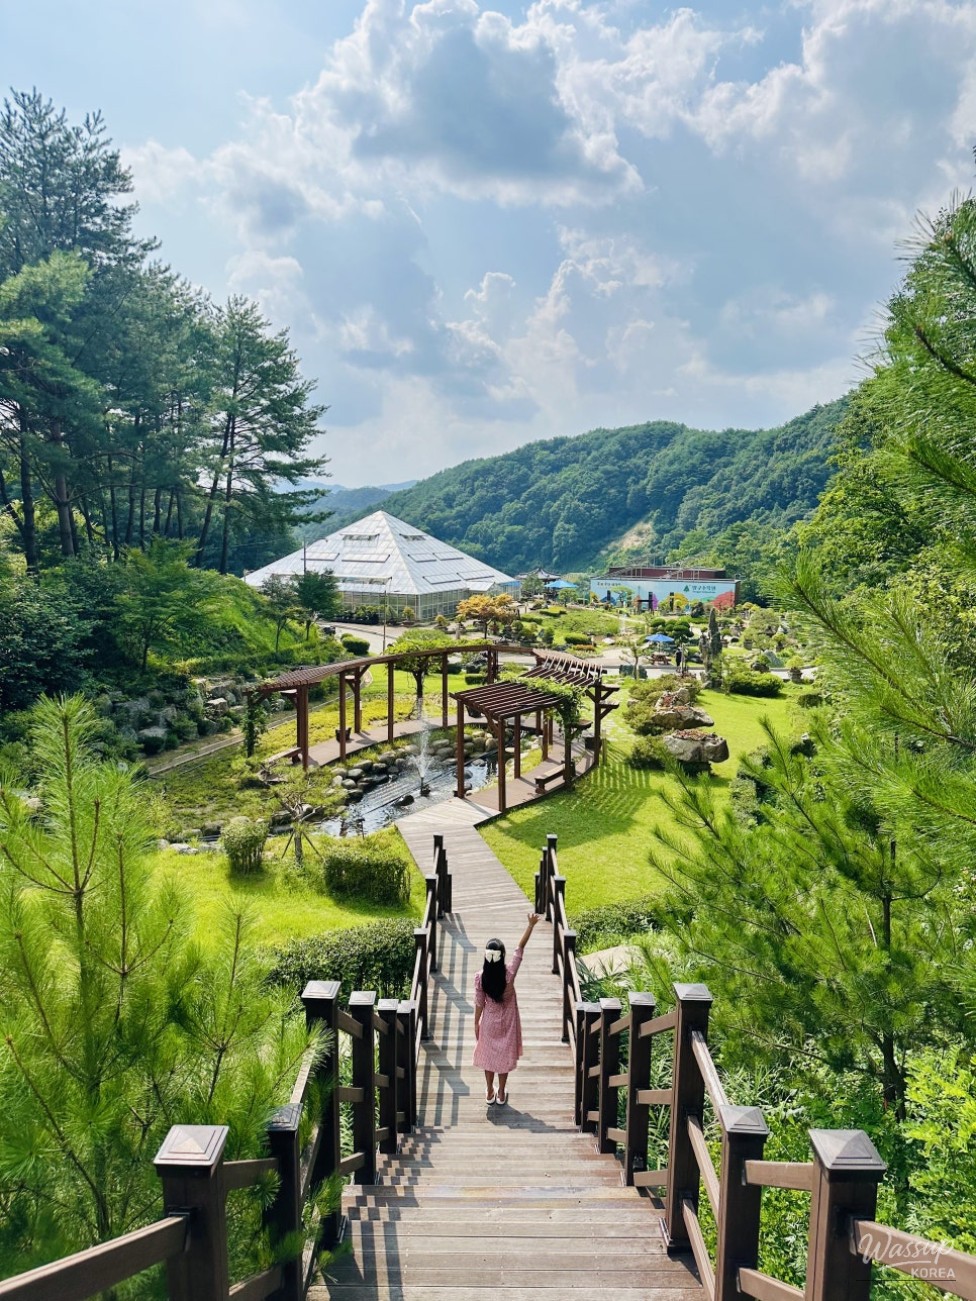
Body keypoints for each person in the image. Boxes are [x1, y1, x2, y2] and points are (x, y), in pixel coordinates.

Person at [473, 912, 541, 1106]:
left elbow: (479, 1003)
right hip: (508, 1023)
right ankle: (501, 1093)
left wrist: (476, 1023)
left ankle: (489, 1092)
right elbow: (519, 949)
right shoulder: (509, 974)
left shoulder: (480, 977)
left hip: (489, 1023)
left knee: (488, 1057)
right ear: (501, 956)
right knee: (502, 1058)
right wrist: (530, 925)